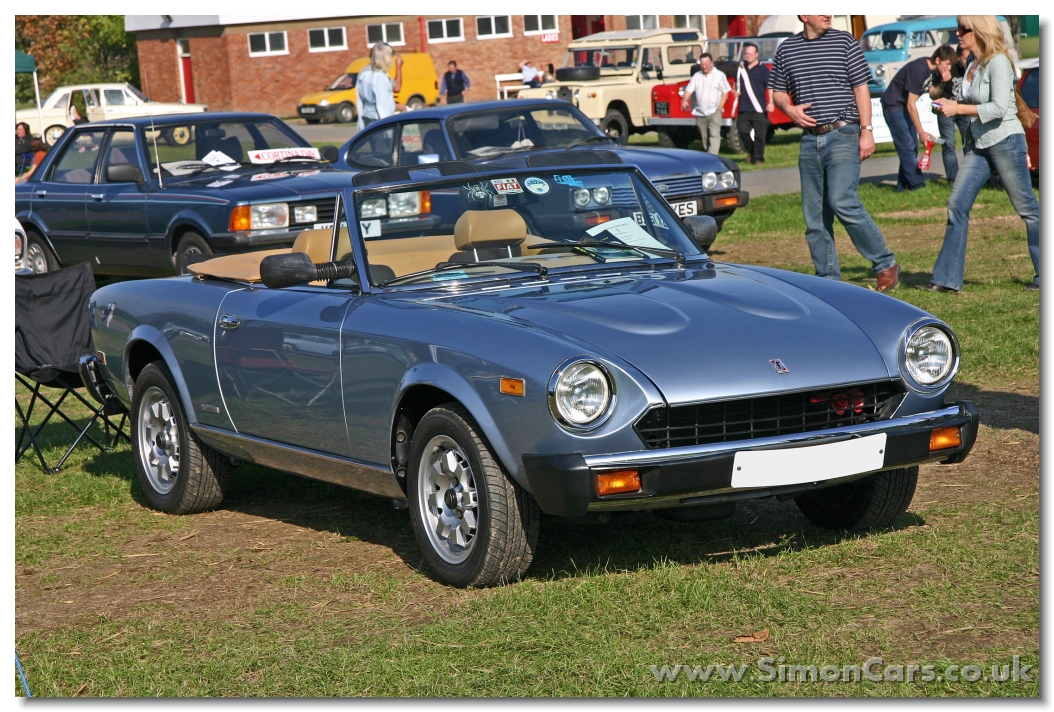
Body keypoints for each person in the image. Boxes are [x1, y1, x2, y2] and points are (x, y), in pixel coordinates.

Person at [769, 15, 900, 292]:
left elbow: (861, 88)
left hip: (844, 133)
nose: (827, 13)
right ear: (803, 15)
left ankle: (884, 262)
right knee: (814, 217)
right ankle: (827, 280)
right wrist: (789, 110)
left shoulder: (844, 41)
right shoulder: (787, 49)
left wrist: (867, 130)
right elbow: (778, 92)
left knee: (842, 200)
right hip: (809, 140)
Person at [925, 15, 1039, 292]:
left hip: (1005, 140)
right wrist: (946, 104)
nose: (957, 33)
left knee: (1028, 209)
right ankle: (946, 279)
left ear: (978, 32)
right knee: (957, 205)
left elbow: (999, 108)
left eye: (963, 29)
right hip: (978, 144)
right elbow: (968, 101)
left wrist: (959, 109)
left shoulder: (998, 62)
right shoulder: (971, 66)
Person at [881, 45, 957, 191]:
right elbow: (911, 104)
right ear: (937, 60)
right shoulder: (919, 69)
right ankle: (918, 185)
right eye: (947, 63)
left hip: (903, 106)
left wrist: (942, 82)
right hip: (894, 105)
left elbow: (933, 94)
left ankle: (902, 188)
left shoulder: (934, 72)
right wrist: (921, 132)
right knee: (907, 147)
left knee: (912, 147)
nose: (949, 67)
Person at [928, 44, 975, 180]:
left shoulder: (969, 69)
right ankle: (953, 179)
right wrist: (943, 82)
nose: (967, 61)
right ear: (958, 57)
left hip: (964, 109)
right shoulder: (947, 67)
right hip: (946, 111)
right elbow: (934, 94)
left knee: (969, 143)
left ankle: (969, 176)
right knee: (948, 144)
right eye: (965, 58)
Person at [732, 42, 774, 164]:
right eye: (746, 54)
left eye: (751, 54)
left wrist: (771, 102)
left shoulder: (763, 69)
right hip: (744, 108)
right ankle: (752, 151)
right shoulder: (740, 69)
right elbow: (736, 83)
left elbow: (770, 86)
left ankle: (758, 158)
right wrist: (735, 91)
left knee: (760, 136)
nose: (748, 56)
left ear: (756, 54)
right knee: (743, 131)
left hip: (759, 108)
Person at [680, 53, 729, 155]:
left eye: (706, 64)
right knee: (704, 137)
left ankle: (713, 157)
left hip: (714, 110)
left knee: (714, 134)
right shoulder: (697, 76)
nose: (704, 66)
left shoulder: (719, 75)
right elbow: (689, 90)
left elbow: (726, 92)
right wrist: (684, 100)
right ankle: (708, 154)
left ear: (712, 63)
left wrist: (720, 107)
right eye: (702, 64)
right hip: (700, 112)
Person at [356, 42, 404, 129]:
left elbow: (361, 102)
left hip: (367, 118)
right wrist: (388, 128)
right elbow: (382, 106)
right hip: (379, 121)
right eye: (390, 56)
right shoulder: (380, 78)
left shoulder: (364, 74)